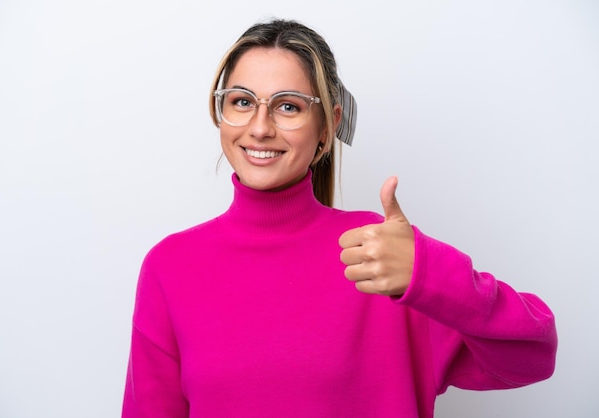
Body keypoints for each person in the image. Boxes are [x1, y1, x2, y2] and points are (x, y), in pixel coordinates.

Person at [122, 18, 557, 418]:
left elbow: (535, 355)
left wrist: (429, 274)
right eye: (241, 101)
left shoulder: (381, 254)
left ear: (328, 125)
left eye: (288, 106)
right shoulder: (170, 266)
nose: (259, 127)